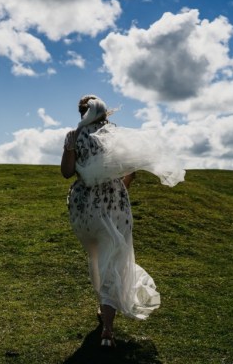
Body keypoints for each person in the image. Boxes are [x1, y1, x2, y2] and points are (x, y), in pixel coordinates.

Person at [61, 95, 167, 349]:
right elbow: (130, 170)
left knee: (97, 258)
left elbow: (66, 172)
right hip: (113, 204)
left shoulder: (73, 136)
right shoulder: (116, 134)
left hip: (84, 208)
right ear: (105, 113)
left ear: (81, 113)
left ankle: (104, 308)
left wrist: (70, 149)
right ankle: (107, 328)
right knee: (112, 260)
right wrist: (118, 191)